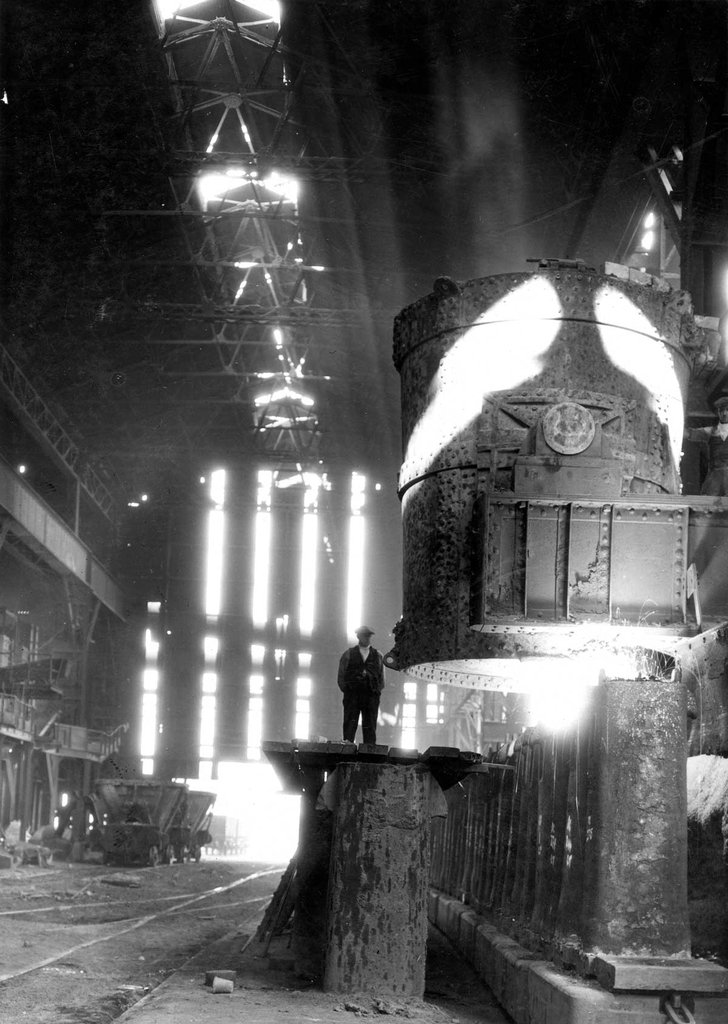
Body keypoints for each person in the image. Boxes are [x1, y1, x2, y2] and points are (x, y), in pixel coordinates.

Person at [337, 626, 385, 745]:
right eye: (364, 635)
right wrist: (348, 690)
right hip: (352, 695)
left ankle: (369, 753)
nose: (366, 638)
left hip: (370, 696)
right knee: (349, 725)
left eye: (368, 636)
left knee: (370, 726)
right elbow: (341, 676)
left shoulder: (378, 655)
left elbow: (382, 679)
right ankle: (347, 750)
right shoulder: (348, 654)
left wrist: (375, 691)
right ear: (358, 636)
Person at [685, 395, 728, 495]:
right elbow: (689, 433)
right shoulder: (711, 431)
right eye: (721, 410)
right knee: (708, 505)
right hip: (715, 478)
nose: (725, 413)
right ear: (718, 412)